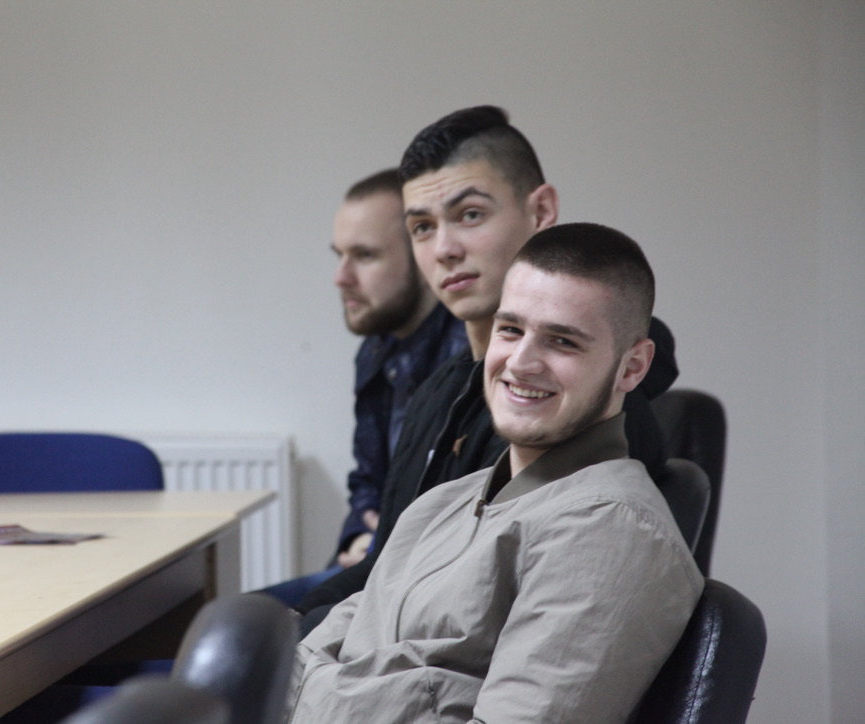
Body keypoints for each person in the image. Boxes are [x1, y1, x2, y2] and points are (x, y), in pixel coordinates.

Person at [286, 223, 703, 724]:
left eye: (562, 341)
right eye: (510, 330)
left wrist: (332, 691)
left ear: (632, 367)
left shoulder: (609, 529)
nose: (520, 363)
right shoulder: (440, 504)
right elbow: (295, 669)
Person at [294, 106, 678, 629]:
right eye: (422, 227)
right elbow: (387, 564)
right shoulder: (439, 391)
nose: (445, 250)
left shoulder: (568, 408)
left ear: (541, 211)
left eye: (470, 215)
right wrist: (290, 625)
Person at [265, 170, 466, 606]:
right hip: (371, 564)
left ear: (423, 256)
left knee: (250, 628)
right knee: (238, 617)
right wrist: (358, 533)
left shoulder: (470, 355)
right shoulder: (376, 350)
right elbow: (368, 480)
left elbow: (455, 507)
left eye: (364, 256)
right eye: (339, 255)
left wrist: (377, 543)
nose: (341, 277)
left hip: (425, 584)